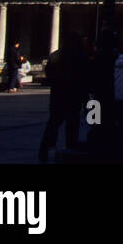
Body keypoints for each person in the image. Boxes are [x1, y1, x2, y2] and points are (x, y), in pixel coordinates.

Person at [39, 31, 89, 160]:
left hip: (57, 95)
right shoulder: (81, 56)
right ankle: (70, 150)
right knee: (72, 126)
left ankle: (44, 149)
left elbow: (49, 76)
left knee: (53, 124)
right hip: (74, 96)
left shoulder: (54, 55)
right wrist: (85, 98)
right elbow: (84, 79)